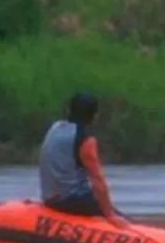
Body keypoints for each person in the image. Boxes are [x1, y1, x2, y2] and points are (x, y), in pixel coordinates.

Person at [40, 92, 124, 224]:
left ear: (69, 110)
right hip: (74, 200)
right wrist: (110, 215)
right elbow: (97, 180)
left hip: (50, 199)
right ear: (95, 115)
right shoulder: (85, 139)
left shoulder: (54, 128)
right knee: (125, 221)